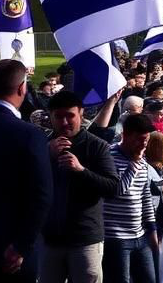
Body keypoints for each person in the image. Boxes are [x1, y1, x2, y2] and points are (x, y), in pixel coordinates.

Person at [41, 90, 119, 283]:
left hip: (85, 240)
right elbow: (26, 183)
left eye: (70, 116)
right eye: (59, 117)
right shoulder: (42, 145)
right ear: (50, 116)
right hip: (50, 240)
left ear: (81, 113)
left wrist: (81, 170)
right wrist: (45, 157)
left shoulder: (97, 146)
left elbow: (112, 188)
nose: (65, 122)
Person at [0, 59, 52, 282]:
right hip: (11, 251)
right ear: (21, 88)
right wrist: (21, 246)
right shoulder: (30, 134)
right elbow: (42, 195)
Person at [103, 114, 159, 283]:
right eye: (139, 139)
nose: (143, 144)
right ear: (125, 135)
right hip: (116, 238)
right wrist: (133, 165)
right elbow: (116, 190)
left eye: (146, 140)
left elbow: (145, 197)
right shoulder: (109, 156)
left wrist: (152, 230)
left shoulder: (141, 159)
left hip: (139, 236)